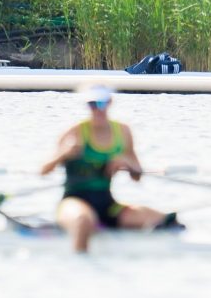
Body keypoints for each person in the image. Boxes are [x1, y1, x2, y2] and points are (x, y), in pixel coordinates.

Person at [40, 85, 181, 253]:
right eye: (92, 105)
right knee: (83, 221)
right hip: (74, 201)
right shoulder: (74, 132)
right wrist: (63, 154)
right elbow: (44, 170)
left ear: (109, 103)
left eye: (100, 104)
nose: (96, 110)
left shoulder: (123, 132)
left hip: (108, 205)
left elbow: (137, 176)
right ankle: (80, 264)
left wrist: (126, 162)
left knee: (166, 220)